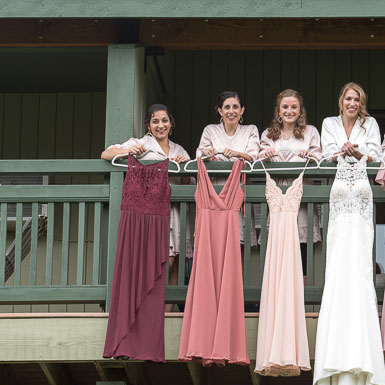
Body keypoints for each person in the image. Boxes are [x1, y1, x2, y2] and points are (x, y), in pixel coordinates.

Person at [101, 104, 190, 310]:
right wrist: (128, 151)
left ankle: (166, 315)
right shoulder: (141, 143)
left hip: (176, 210)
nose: (161, 125)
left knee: (176, 261)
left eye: (165, 120)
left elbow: (188, 184)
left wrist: (184, 165)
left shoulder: (179, 149)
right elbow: (106, 154)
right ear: (149, 125)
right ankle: (152, 311)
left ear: (171, 123)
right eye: (155, 121)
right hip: (153, 211)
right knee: (163, 261)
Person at [258, 89, 323, 248]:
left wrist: (310, 155)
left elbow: (319, 157)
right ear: (278, 110)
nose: (289, 111)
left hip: (301, 190)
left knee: (301, 242)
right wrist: (265, 155)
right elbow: (258, 158)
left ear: (300, 110)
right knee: (278, 243)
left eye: (294, 107)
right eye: (285, 107)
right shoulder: (268, 134)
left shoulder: (310, 132)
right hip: (278, 193)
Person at [196, 91, 260, 246]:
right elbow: (199, 154)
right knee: (215, 241)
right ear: (220, 111)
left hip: (238, 191)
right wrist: (208, 154)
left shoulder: (250, 130)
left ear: (242, 110)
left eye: (235, 107)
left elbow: (254, 157)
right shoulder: (210, 130)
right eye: (227, 107)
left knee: (238, 241)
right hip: (215, 192)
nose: (231, 111)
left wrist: (236, 154)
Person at [320, 82, 382, 162]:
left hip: (365, 174)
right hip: (336, 174)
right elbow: (327, 157)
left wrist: (359, 155)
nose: (352, 104)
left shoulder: (370, 123)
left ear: (361, 104)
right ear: (341, 101)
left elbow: (376, 158)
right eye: (348, 99)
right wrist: (343, 154)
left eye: (357, 100)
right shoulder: (329, 123)